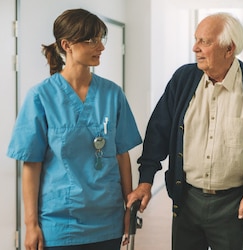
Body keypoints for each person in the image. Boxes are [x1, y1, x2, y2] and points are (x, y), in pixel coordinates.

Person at [126, 12, 243, 250]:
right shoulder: (183, 79)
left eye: (205, 41)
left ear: (229, 48)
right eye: (196, 40)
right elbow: (157, 133)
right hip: (187, 201)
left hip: (235, 205)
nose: (195, 48)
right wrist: (146, 181)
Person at [7, 8, 142, 250]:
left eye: (102, 38)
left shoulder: (112, 94)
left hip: (107, 221)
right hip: (59, 223)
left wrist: (128, 208)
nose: (100, 47)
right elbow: (31, 164)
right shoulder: (41, 96)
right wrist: (31, 225)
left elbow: (122, 154)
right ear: (66, 45)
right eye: (92, 40)